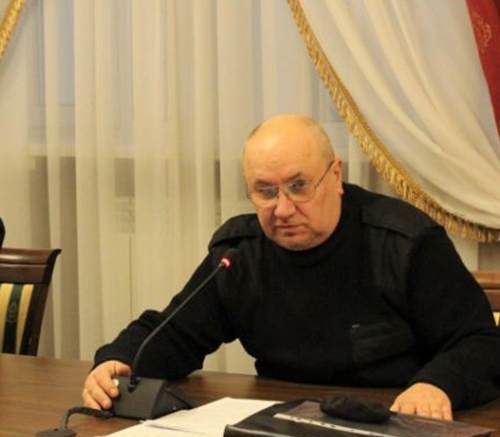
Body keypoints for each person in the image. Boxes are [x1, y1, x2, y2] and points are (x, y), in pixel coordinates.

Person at [82, 114, 500, 421]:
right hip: (285, 429)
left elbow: (481, 342)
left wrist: (436, 384)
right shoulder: (240, 252)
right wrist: (118, 361)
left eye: (299, 186)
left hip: (393, 426)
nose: (282, 209)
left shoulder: (404, 241)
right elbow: (172, 333)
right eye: (265, 192)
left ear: (335, 176)